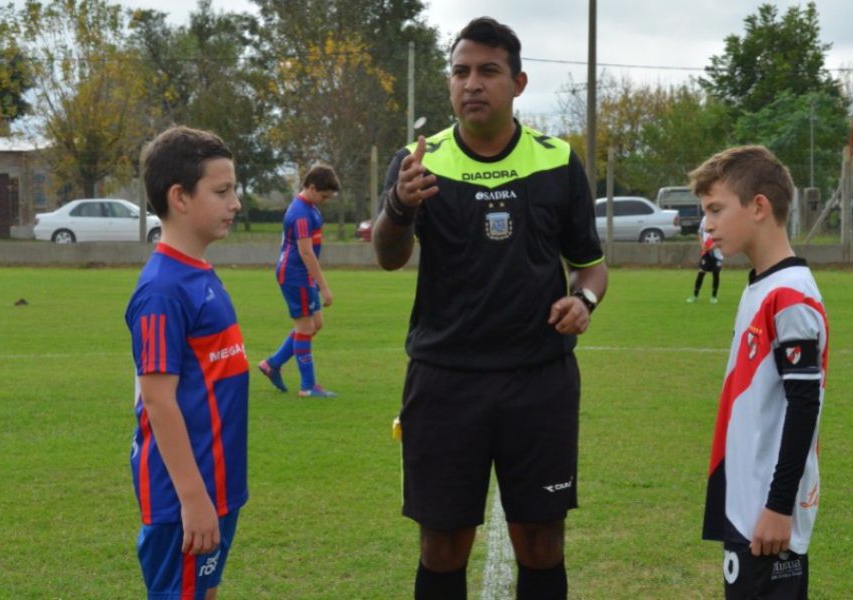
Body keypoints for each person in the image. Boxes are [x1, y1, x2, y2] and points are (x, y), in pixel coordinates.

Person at [372, 17, 608, 600]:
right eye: (460, 72)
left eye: (487, 71)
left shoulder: (556, 161)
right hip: (445, 380)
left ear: (518, 82)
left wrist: (584, 301)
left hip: (539, 381)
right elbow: (387, 256)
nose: (471, 83)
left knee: (541, 541)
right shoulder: (418, 161)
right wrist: (400, 206)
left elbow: (591, 265)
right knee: (442, 547)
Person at [692, 145, 829, 599]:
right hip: (745, 501)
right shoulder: (761, 284)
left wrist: (778, 507)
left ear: (758, 207)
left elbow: (803, 407)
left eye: (715, 209)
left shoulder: (789, 295)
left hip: (765, 515)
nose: (706, 223)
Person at [125, 126, 249, 599]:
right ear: (179, 197)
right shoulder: (162, 290)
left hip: (216, 483)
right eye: (222, 191)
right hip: (185, 494)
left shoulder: (199, 274)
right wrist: (193, 499)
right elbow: (158, 400)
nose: (235, 203)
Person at [259, 165, 341, 397]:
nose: (325, 200)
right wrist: (324, 286)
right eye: (324, 195)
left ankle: (272, 364)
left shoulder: (310, 207)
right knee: (305, 327)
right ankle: (308, 386)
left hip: (302, 274)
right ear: (312, 187)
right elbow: (306, 253)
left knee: (315, 324)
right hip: (295, 275)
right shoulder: (300, 214)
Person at [687, 215, 724, 304]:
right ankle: (695, 295)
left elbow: (722, 237)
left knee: (716, 273)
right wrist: (702, 245)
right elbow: (700, 233)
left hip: (717, 252)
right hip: (706, 251)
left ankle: (714, 296)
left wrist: (712, 247)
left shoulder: (720, 219)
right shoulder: (705, 218)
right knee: (701, 272)